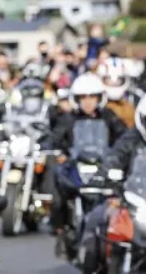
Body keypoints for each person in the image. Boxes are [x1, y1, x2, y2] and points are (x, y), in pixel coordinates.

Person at [80, 98, 146, 274]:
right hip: (129, 203)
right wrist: (104, 177)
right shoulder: (132, 139)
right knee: (96, 224)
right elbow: (113, 158)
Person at [49, 72, 127, 239]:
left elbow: (124, 137)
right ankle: (60, 225)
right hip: (76, 163)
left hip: (103, 165)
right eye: (83, 97)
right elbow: (54, 137)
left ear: (100, 98)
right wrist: (58, 151)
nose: (88, 101)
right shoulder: (68, 118)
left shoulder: (109, 116)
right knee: (58, 181)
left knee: (122, 192)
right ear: (76, 99)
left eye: (92, 97)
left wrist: (120, 155)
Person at [97, 57, 135, 129]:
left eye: (118, 80)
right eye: (109, 80)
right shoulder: (96, 99)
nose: (113, 83)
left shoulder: (133, 98)